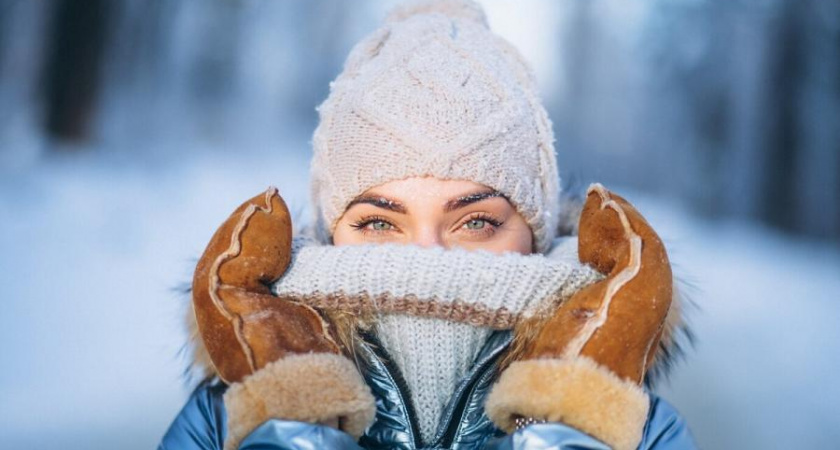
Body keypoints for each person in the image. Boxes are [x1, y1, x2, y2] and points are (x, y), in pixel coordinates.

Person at [159, 1, 697, 449]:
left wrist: (572, 428)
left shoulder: (631, 427)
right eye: (377, 223)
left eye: (477, 222)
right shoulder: (228, 418)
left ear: (535, 233)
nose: (425, 257)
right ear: (329, 233)